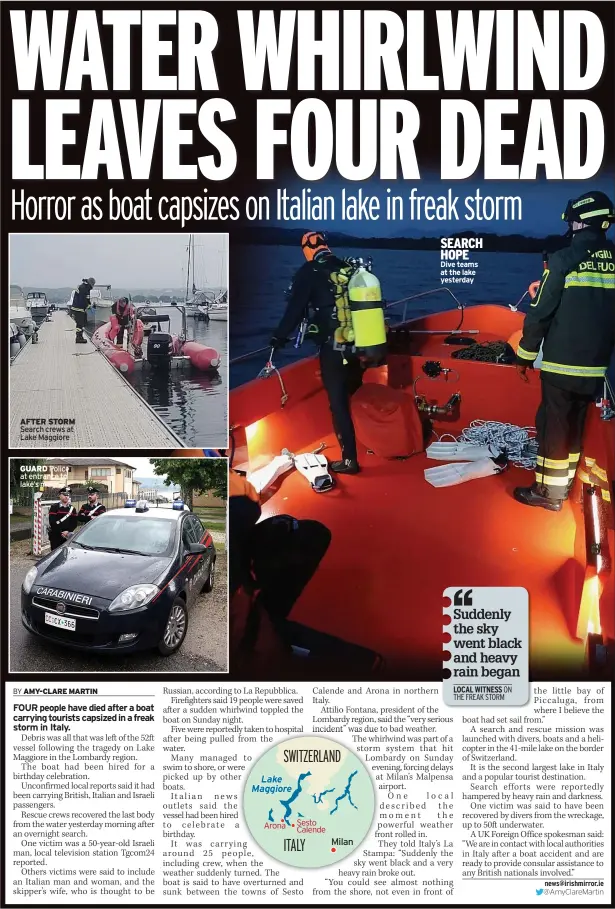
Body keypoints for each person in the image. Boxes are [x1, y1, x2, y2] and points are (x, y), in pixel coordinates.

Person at [514, 190, 615, 511]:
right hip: (596, 367)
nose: (569, 225)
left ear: (582, 222)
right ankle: (566, 483)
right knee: (575, 424)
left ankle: (549, 494)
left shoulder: (563, 260)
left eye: (572, 220)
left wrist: (525, 355)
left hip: (561, 365)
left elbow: (541, 312)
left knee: (553, 425)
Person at [270, 231, 364, 475]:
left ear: (307, 248)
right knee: (351, 392)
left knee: (338, 404)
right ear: (326, 245)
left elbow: (294, 310)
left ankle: (350, 461)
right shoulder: (348, 267)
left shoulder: (309, 270)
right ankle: (368, 434)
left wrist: (278, 337)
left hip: (333, 345)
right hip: (360, 343)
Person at [71, 277, 95, 344]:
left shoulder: (86, 287)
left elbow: (87, 298)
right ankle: (79, 338)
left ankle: (80, 336)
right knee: (80, 323)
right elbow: (83, 299)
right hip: (78, 308)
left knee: (82, 323)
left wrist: (89, 305)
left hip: (81, 308)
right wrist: (88, 306)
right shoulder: (83, 288)